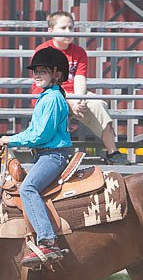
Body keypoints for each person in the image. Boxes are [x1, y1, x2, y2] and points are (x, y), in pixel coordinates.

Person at [0, 47, 72, 266]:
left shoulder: (52, 99)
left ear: (56, 73)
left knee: (28, 188)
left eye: (42, 71)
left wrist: (9, 139)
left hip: (52, 156)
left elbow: (40, 135)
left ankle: (48, 241)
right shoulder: (47, 97)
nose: (37, 75)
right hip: (45, 155)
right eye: (35, 71)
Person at [32, 11, 131, 165]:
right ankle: (51, 155)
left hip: (73, 95)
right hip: (50, 93)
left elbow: (80, 78)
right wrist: (69, 102)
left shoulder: (78, 52)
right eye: (63, 28)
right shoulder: (43, 51)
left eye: (71, 28)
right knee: (57, 105)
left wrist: (79, 99)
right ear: (51, 31)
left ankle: (113, 153)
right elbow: (45, 83)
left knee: (98, 104)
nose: (68, 32)